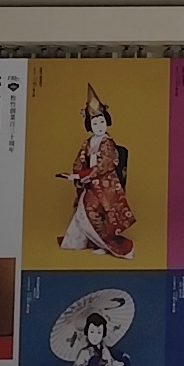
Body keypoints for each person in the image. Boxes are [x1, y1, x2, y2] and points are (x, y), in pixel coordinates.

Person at [57, 94, 137, 257]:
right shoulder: (87, 143)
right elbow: (79, 161)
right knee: (85, 210)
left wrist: (88, 175)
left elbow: (107, 163)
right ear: (89, 126)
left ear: (107, 121)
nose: (99, 126)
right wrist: (77, 174)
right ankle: (94, 241)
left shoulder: (108, 143)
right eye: (95, 123)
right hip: (90, 182)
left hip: (104, 182)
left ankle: (107, 243)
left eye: (102, 122)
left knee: (92, 210)